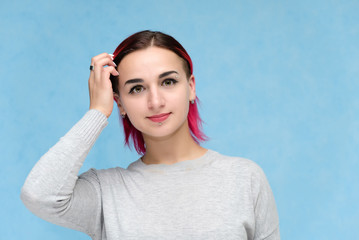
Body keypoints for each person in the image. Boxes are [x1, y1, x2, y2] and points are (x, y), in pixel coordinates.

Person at [21, 30, 280, 240]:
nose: (155, 101)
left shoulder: (245, 178)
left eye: (168, 82)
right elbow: (39, 195)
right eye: (136, 89)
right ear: (120, 103)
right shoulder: (106, 193)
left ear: (190, 87)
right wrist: (98, 111)